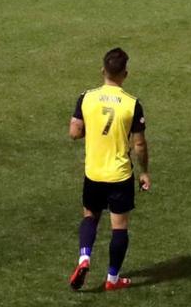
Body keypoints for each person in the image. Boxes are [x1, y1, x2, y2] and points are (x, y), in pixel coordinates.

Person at [68, 48, 150, 292]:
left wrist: (89, 130)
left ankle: (84, 258)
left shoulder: (86, 97)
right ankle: (112, 280)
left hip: (93, 172)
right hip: (119, 174)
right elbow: (139, 144)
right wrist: (144, 172)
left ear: (102, 70)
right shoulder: (132, 104)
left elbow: (74, 132)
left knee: (90, 216)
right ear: (125, 74)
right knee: (119, 227)